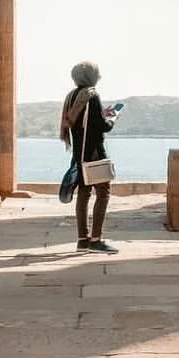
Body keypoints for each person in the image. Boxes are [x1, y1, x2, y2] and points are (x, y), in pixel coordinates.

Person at [60, 60, 117, 253]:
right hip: (94, 153)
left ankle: (82, 239)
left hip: (79, 153)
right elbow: (102, 126)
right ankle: (96, 240)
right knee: (103, 193)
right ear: (91, 76)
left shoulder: (71, 97)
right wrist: (112, 117)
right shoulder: (91, 96)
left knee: (83, 194)